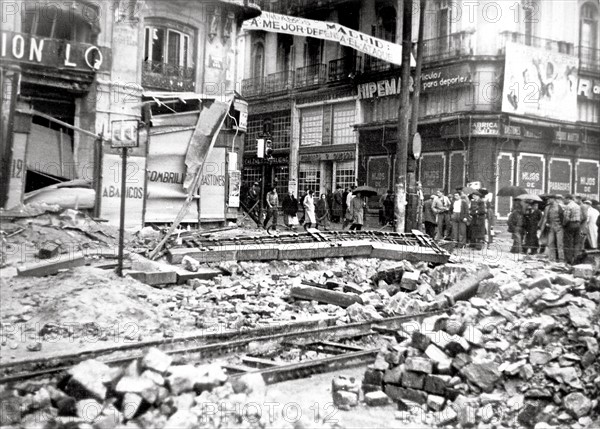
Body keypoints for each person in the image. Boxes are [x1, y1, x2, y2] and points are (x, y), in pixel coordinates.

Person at [539, 195, 565, 262]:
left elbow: (565, 217)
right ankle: (552, 258)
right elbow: (545, 218)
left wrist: (563, 225)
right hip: (551, 227)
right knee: (550, 243)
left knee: (560, 244)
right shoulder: (547, 207)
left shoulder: (561, 206)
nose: (548, 200)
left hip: (559, 227)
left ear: (554, 199)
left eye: (550, 199)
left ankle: (561, 259)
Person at [563, 194, 582, 264]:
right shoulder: (577, 206)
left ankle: (569, 260)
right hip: (578, 224)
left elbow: (566, 218)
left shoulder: (568, 206)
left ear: (568, 199)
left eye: (564, 199)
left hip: (570, 224)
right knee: (576, 242)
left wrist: (564, 224)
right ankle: (576, 258)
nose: (563, 200)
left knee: (568, 243)